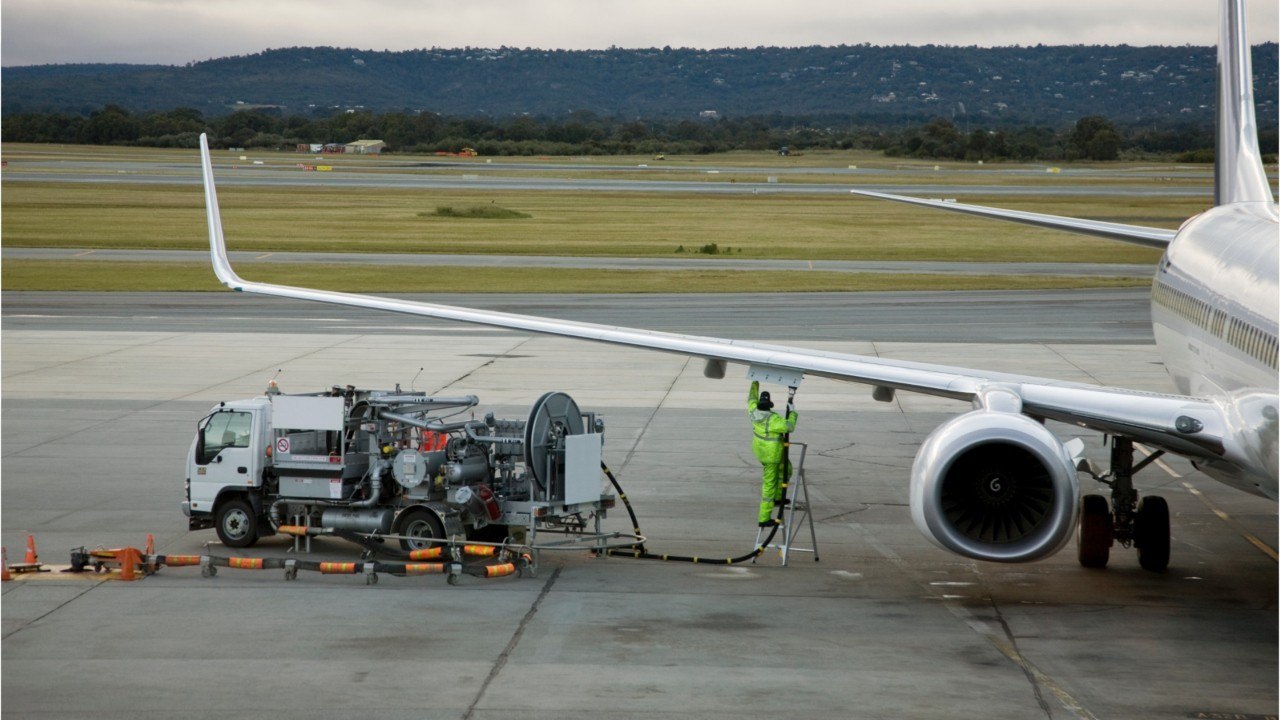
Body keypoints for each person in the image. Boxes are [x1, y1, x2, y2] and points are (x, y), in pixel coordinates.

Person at [747, 380, 798, 527]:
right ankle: (764, 517)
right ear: (769, 406)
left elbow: (751, 398)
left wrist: (755, 381)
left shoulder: (753, 412)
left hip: (762, 451)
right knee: (769, 483)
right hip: (772, 456)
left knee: (786, 469)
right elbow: (789, 426)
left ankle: (777, 497)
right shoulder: (773, 419)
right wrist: (792, 412)